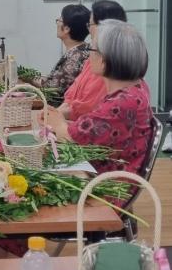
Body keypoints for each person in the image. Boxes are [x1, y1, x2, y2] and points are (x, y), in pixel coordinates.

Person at [47, 20, 153, 177]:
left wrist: (57, 122)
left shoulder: (121, 103)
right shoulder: (135, 89)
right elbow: (91, 129)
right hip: (105, 171)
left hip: (108, 183)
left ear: (103, 60)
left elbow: (69, 139)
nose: (88, 55)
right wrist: (60, 121)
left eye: (92, 49)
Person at [58, 0, 127, 120]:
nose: (89, 30)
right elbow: (71, 94)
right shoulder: (93, 57)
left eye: (90, 25)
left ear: (105, 27)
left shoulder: (110, 64)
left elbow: (88, 108)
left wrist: (55, 116)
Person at [34, 4, 90, 105]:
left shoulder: (75, 58)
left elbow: (52, 90)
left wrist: (27, 79)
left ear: (67, 28)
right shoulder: (83, 50)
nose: (57, 24)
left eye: (59, 20)